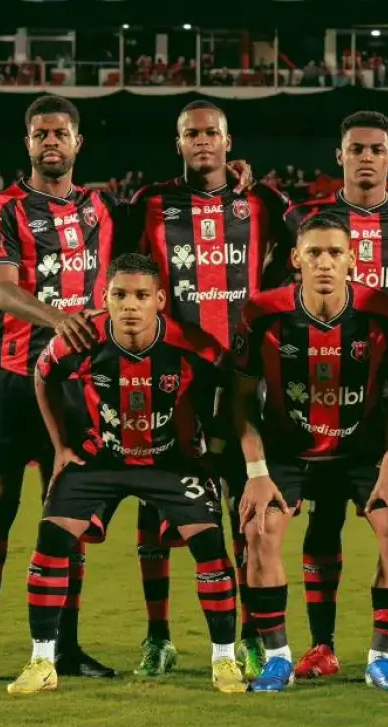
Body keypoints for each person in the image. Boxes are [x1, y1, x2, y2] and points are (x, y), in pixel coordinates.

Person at [7, 253, 242, 695]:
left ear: (160, 300)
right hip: (101, 460)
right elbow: (43, 375)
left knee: (210, 544)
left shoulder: (195, 345)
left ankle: (224, 661)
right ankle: (42, 660)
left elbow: (230, 396)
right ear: (105, 299)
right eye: (119, 296)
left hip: (170, 462)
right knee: (53, 538)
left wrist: (212, 454)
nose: (130, 306)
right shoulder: (82, 339)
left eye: (140, 296)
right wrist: (60, 447)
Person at [0, 94, 119, 685]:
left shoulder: (101, 207)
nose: (51, 141)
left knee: (68, 520)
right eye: (41, 133)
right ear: (28, 143)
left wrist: (232, 175)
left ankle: (65, 649)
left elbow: (170, 206)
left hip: (73, 386)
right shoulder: (0, 208)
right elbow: (1, 290)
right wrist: (59, 319)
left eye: (62, 132)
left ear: (78, 143)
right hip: (8, 379)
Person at [126, 99, 290, 679]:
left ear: (228, 141)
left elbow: (297, 256)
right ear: (179, 144)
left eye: (211, 133)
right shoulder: (149, 204)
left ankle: (249, 635)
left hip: (244, 376)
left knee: (244, 507)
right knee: (156, 503)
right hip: (173, 379)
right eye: (191, 133)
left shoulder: (264, 203)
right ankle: (158, 635)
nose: (201, 141)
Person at [282, 110, 388, 682]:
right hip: (328, 392)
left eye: (377, 149)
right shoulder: (304, 221)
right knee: (323, 519)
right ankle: (321, 646)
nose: (367, 158)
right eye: (356, 149)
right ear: (341, 156)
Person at [232, 213, 388, 693]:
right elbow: (241, 402)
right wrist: (255, 470)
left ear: (352, 260)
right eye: (313, 253)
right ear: (296, 259)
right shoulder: (261, 315)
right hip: (289, 453)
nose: (324, 263)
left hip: (362, 453)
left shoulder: (383, 313)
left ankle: (381, 659)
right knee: (260, 528)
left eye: (335, 253)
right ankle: (277, 659)